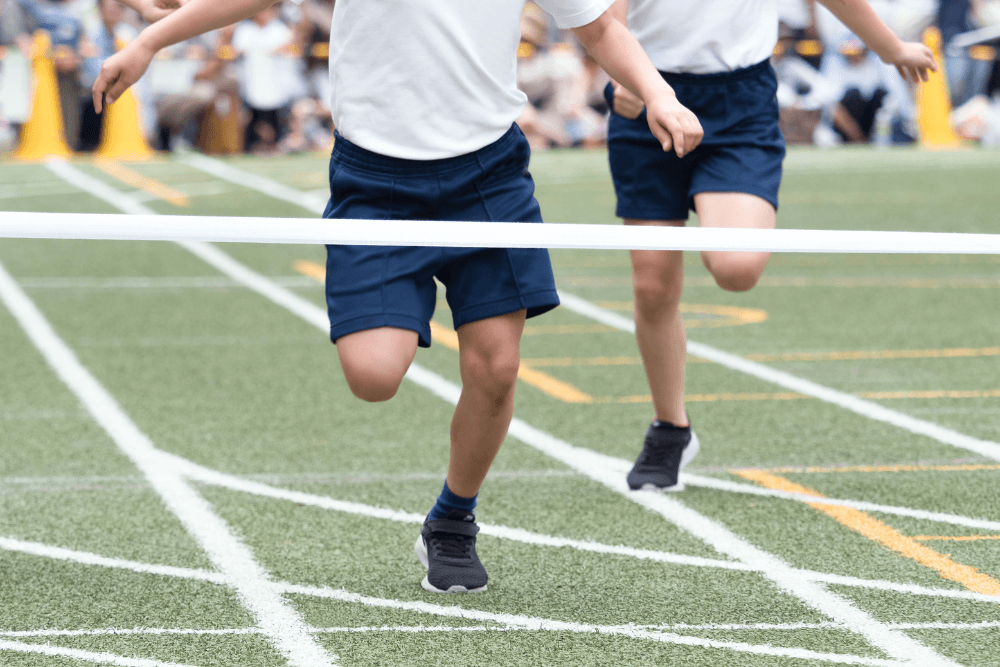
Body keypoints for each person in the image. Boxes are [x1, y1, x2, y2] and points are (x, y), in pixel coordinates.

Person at [93, 0, 702, 593]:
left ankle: (453, 519)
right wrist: (149, 42)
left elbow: (598, 27)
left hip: (488, 175)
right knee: (373, 375)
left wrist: (659, 94)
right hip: (374, 177)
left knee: (497, 367)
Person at [603, 0, 935, 492]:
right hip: (648, 97)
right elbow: (601, 15)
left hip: (739, 101)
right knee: (652, 283)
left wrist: (890, 47)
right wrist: (621, 81)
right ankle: (670, 427)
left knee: (737, 268)